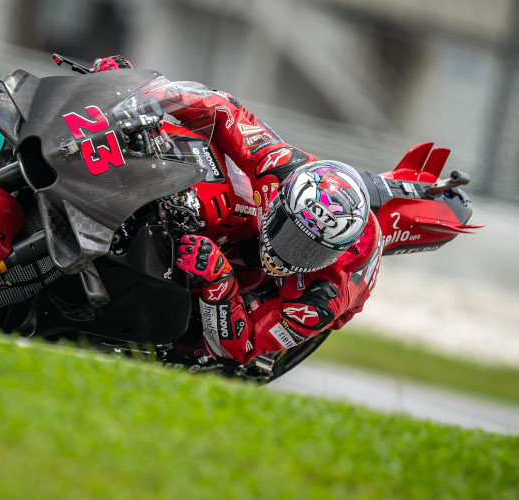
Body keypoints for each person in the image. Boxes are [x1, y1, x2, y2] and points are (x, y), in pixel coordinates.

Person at [94, 56, 383, 365]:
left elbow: (238, 346)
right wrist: (142, 93)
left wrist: (220, 283)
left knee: (192, 348)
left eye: (309, 251)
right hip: (263, 220)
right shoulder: (280, 166)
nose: (290, 254)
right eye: (291, 234)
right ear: (282, 202)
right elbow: (220, 108)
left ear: (334, 254)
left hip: (286, 293)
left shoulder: (325, 295)